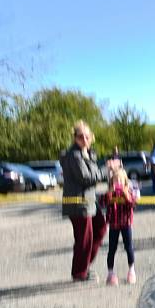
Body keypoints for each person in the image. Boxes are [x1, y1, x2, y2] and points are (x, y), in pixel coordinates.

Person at [60, 120, 110, 282]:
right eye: (80, 137)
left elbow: (93, 175)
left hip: (88, 201)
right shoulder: (74, 156)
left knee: (100, 228)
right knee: (84, 239)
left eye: (87, 137)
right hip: (78, 203)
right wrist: (107, 168)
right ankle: (80, 273)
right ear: (75, 138)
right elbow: (87, 178)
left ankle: (84, 266)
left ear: (92, 138)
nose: (84, 140)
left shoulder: (88, 154)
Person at [103, 168, 137, 286]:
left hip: (126, 224)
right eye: (115, 180)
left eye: (120, 180)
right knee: (112, 249)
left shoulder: (129, 191)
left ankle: (131, 270)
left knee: (129, 247)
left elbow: (133, 204)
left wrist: (126, 195)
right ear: (112, 182)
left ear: (125, 181)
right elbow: (102, 202)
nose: (118, 182)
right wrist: (109, 193)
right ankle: (110, 273)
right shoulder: (110, 193)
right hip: (114, 224)